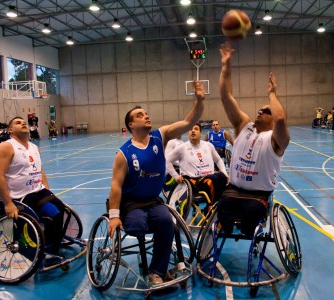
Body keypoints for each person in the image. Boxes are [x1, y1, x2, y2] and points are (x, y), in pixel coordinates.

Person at [107, 81, 205, 285]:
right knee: (137, 225)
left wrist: (199, 101)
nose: (146, 116)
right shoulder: (123, 154)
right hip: (131, 203)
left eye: (146, 113)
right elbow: (116, 186)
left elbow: (188, 122)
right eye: (140, 115)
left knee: (166, 223)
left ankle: (157, 272)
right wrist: (114, 217)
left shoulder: (159, 137)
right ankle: (151, 258)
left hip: (152, 201)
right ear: (131, 125)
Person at [217, 43, 290, 236]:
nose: (261, 111)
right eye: (261, 109)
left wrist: (272, 94)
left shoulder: (276, 140)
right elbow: (226, 97)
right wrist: (225, 67)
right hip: (233, 190)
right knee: (222, 205)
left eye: (267, 111)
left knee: (251, 214)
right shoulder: (244, 126)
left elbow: (281, 118)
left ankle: (248, 232)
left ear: (273, 119)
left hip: (257, 196)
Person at [0, 117, 65, 255]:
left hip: (38, 191)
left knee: (60, 207)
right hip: (19, 196)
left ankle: (53, 241)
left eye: (23, 122)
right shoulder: (6, 147)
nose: (23, 123)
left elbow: (40, 171)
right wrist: (8, 203)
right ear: (10, 130)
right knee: (54, 214)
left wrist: (46, 189)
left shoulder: (34, 147)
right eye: (17, 122)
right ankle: (49, 249)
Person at [166, 124, 229, 206]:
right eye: (190, 129)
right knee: (214, 179)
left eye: (196, 129)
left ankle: (220, 207)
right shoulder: (182, 148)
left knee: (223, 177)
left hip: (210, 178)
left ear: (200, 133)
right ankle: (212, 207)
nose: (192, 131)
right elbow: (167, 161)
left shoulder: (208, 145)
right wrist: (176, 176)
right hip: (193, 183)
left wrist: (224, 172)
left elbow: (218, 160)